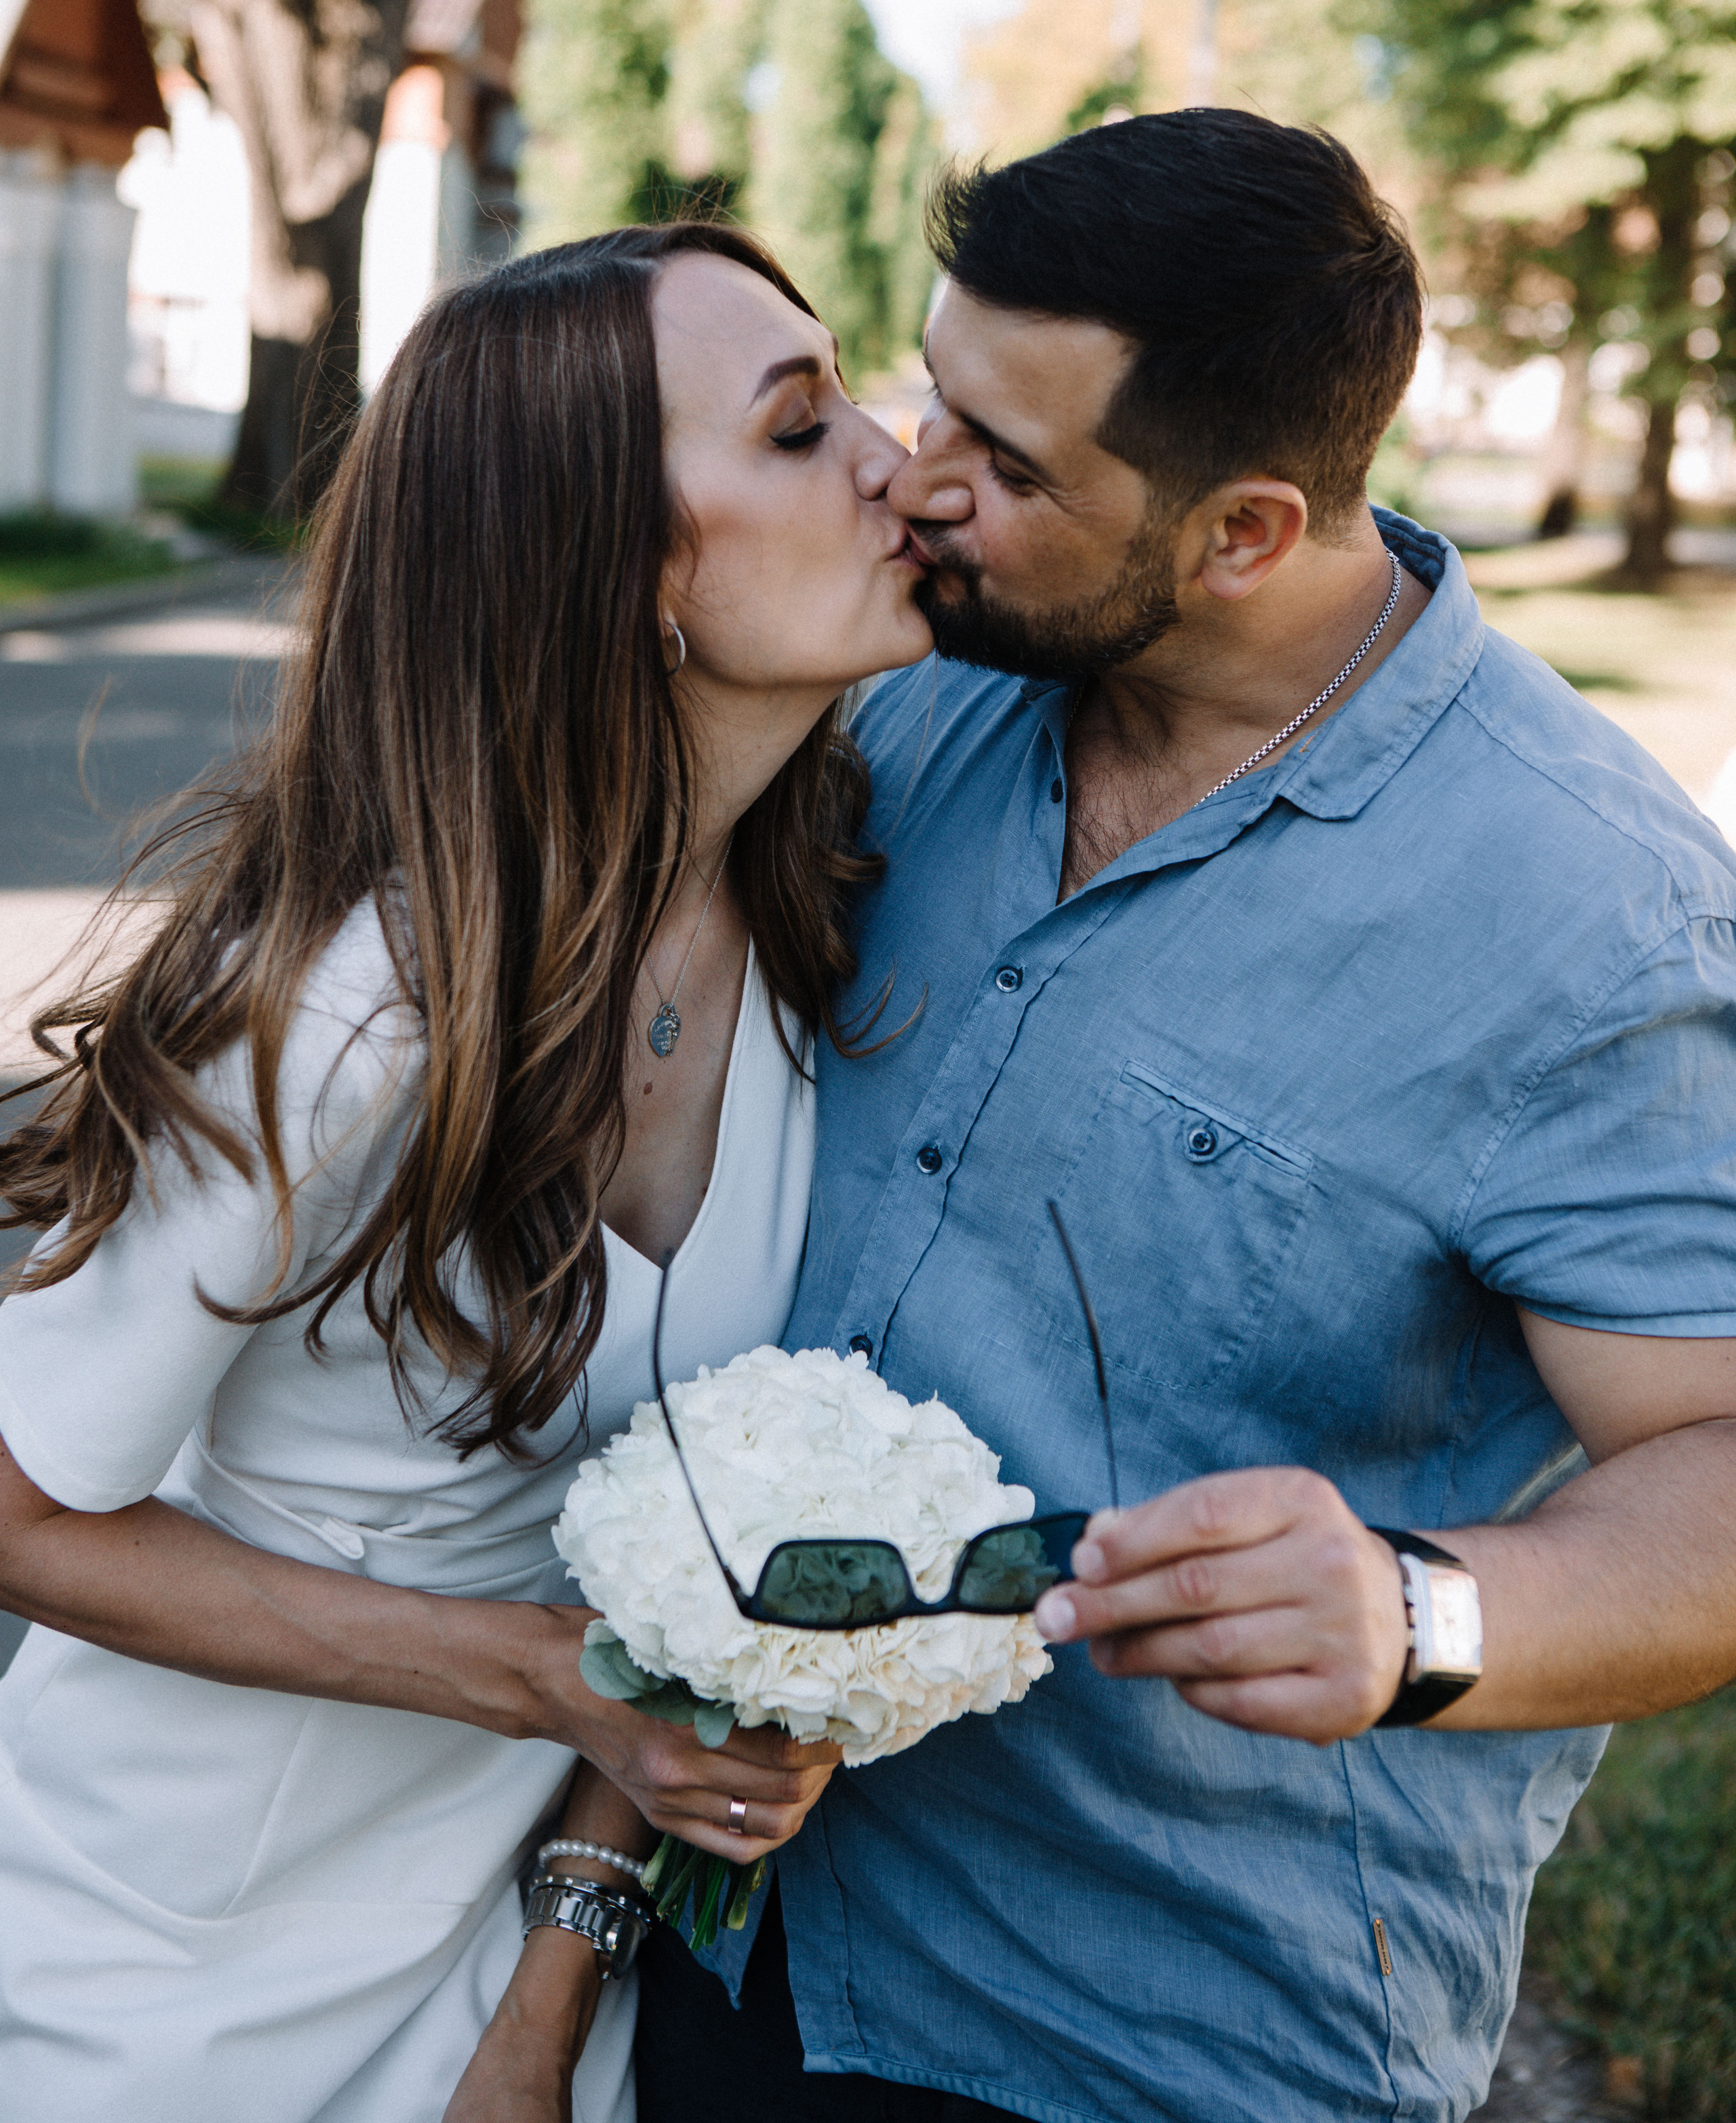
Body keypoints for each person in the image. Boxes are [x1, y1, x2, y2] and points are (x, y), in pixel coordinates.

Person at [622, 112, 1736, 2123]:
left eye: (1011, 463)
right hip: (732, 1913)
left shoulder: (1594, 919)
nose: (915, 480)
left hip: (1148, 2024)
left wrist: (1427, 1612)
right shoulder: (905, 691)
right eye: (928, 392)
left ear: (1243, 532)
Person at [0, 222, 932, 2123]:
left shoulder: (803, 946)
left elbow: (689, 1543)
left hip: (513, 1960)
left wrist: (545, 2003)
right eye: (796, 427)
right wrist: (537, 1676)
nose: (892, 458)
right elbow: (21, 1511)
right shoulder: (353, 1016)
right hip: (165, 1959)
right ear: (622, 572)